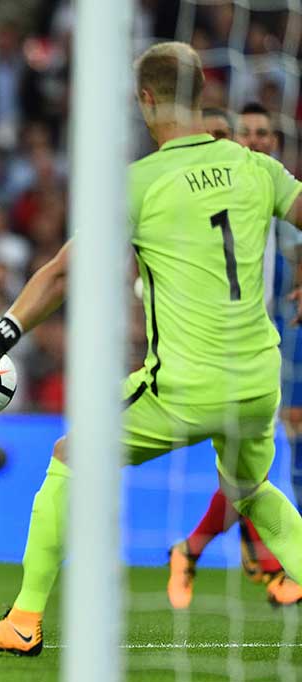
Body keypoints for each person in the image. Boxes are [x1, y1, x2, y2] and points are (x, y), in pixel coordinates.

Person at [0, 42, 302, 656]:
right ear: (203, 95)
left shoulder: (138, 183)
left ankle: (24, 619)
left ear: (145, 99)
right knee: (248, 492)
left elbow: (63, 273)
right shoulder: (256, 168)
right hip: (258, 381)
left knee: (70, 456)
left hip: (184, 385)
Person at [169, 102, 302, 607]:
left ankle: (213, 548)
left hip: (277, 341)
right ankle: (259, 551)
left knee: (256, 459)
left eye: (263, 132)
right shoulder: (205, 199)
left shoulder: (276, 194)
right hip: (225, 347)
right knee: (252, 459)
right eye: (244, 132)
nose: (254, 139)